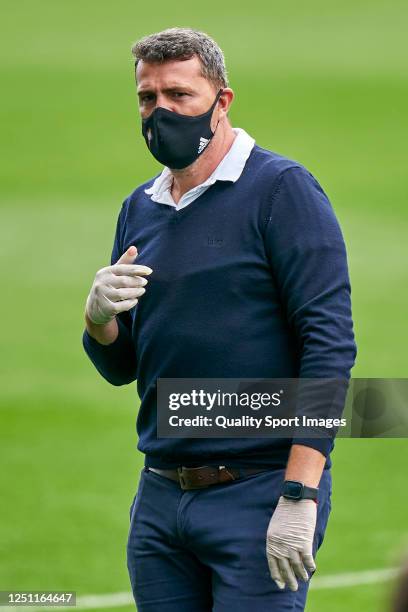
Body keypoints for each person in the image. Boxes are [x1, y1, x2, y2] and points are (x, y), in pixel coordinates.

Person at [82, 27, 357, 611]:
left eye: (179, 96)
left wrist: (300, 493)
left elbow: (328, 345)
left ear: (221, 100)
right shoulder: (141, 206)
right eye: (147, 98)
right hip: (160, 498)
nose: (160, 112)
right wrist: (99, 317)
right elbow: (122, 364)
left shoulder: (282, 190)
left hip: (258, 493)